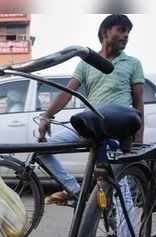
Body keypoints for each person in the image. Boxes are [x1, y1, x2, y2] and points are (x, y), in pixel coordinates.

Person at [38, 14, 144, 205]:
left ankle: (128, 234)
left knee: (117, 183)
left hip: (117, 128)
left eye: (128, 32)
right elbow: (67, 93)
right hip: (92, 124)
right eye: (121, 30)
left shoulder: (133, 63)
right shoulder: (87, 63)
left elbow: (138, 104)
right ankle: (76, 191)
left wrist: (138, 140)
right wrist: (46, 116)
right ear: (105, 32)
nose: (126, 35)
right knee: (42, 150)